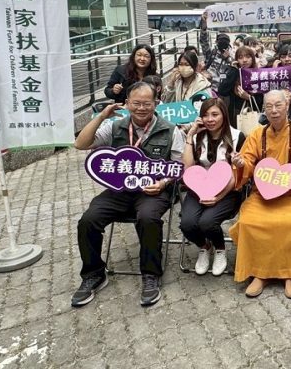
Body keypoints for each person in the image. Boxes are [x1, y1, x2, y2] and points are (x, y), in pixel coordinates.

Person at [72, 82, 185, 307]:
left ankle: (151, 274)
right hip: (120, 191)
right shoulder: (115, 127)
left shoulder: (171, 130)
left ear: (156, 104)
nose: (141, 108)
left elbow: (179, 166)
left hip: (154, 191)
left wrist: (163, 183)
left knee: (148, 218)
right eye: (136, 103)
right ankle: (94, 274)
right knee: (88, 219)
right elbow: (80, 144)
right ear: (127, 103)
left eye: (147, 103)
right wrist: (101, 116)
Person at [228, 90, 291, 299]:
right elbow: (248, 163)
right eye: (269, 106)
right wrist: (240, 163)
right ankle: (260, 273)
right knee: (249, 220)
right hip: (263, 195)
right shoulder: (257, 135)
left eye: (278, 105)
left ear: (287, 106)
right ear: (264, 110)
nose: (274, 110)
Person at [181, 99, 246, 276]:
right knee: (187, 224)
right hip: (199, 188)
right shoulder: (197, 137)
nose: (210, 119)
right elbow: (188, 168)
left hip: (228, 191)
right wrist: (189, 136)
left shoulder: (237, 137)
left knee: (207, 222)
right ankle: (204, 246)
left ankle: (219, 249)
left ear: (224, 115)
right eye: (206, 115)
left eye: (215, 114)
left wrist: (218, 197)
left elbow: (236, 175)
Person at [218, 46, 264, 128]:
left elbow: (262, 101)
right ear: (237, 60)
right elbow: (222, 90)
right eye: (240, 57)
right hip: (235, 115)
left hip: (254, 115)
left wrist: (248, 97)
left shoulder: (258, 75)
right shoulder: (234, 73)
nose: (244, 60)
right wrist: (234, 70)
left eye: (248, 57)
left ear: (252, 58)